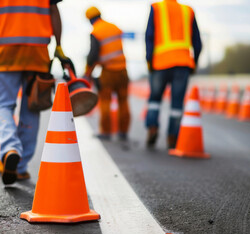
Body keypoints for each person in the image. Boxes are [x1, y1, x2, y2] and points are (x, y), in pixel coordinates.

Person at [0, 0, 72, 184]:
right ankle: (20, 168)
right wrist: (59, 45)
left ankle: (10, 148)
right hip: (37, 53)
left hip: (5, 53)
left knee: (2, 105)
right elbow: (54, 10)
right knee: (31, 108)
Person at [145, 0, 202, 149]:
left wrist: (149, 61)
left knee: (155, 99)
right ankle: (173, 137)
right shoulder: (188, 10)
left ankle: (152, 128)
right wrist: (193, 62)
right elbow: (198, 42)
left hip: (160, 63)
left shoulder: (157, 8)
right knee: (177, 103)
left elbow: (149, 36)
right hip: (183, 64)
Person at [84, 6, 131, 141]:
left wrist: (87, 73)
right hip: (122, 70)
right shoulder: (114, 27)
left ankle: (106, 132)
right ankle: (123, 132)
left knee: (105, 101)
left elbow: (93, 56)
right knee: (123, 101)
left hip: (108, 72)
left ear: (89, 19)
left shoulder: (96, 32)